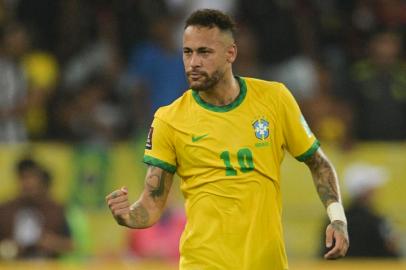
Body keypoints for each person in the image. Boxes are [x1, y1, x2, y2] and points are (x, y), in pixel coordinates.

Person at [106, 9, 349, 269]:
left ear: (230, 53)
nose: (193, 62)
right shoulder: (169, 119)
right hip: (204, 262)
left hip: (266, 263)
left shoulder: (274, 100)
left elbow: (318, 163)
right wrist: (128, 216)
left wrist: (337, 218)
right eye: (187, 52)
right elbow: (153, 203)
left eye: (204, 52)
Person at [0, 158, 73, 259]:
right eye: (24, 178)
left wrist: (54, 243)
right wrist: (8, 248)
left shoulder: (55, 210)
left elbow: (72, 245)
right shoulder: (6, 210)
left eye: (32, 178)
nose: (28, 183)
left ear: (40, 180)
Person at [338, 163, 400, 258]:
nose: (376, 192)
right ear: (364, 192)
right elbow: (391, 252)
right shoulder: (376, 221)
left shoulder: (335, 219)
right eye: (372, 188)